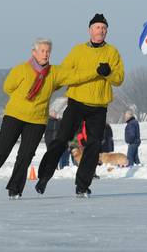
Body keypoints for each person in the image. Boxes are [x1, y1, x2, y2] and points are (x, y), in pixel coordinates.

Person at [0, 38, 100, 198]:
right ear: (34, 52)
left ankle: (15, 189)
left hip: (36, 121)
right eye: (42, 51)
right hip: (14, 116)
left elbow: (76, 75)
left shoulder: (54, 73)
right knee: (1, 150)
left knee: (25, 156)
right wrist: (21, 100)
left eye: (48, 51)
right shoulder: (21, 69)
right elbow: (8, 87)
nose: (45, 54)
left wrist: (97, 71)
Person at [36, 14, 124, 198]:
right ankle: (44, 176)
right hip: (76, 103)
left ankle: (82, 185)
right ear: (90, 30)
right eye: (97, 27)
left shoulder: (112, 52)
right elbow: (64, 73)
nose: (101, 30)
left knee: (93, 146)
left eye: (104, 28)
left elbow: (119, 79)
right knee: (61, 139)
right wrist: (48, 86)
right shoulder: (77, 51)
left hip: (99, 106)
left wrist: (107, 73)